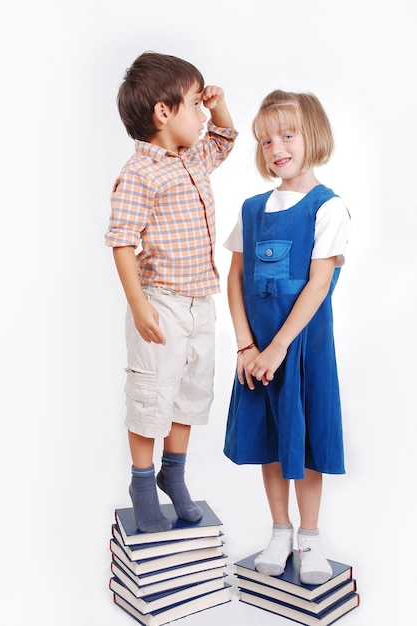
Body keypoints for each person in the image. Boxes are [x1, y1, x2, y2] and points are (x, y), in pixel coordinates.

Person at [105, 52, 237, 533]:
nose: (203, 115)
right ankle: (142, 482)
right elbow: (121, 241)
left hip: (202, 301)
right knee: (150, 393)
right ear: (164, 112)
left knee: (190, 392)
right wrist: (139, 306)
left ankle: (173, 474)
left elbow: (225, 136)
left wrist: (216, 103)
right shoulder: (140, 173)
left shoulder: (195, 156)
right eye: (194, 104)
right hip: (160, 301)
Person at [223, 90, 350, 585]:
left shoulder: (328, 207)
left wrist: (278, 348)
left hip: (302, 351)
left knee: (308, 440)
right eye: (265, 139)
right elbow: (235, 278)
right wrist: (245, 346)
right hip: (257, 355)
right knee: (271, 439)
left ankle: (311, 538)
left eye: (288, 134)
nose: (277, 147)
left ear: (312, 135)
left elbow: (320, 284)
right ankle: (280, 531)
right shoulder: (252, 209)